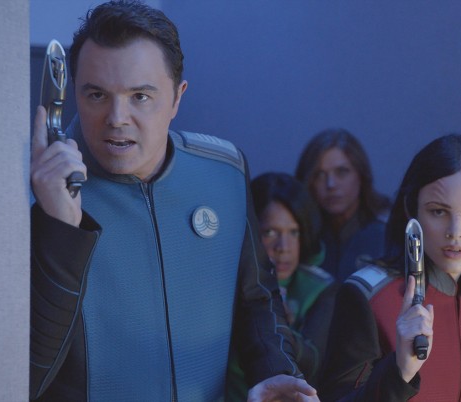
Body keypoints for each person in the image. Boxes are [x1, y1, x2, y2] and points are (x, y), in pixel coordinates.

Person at [29, 1, 318, 401]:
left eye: (140, 96)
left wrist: (276, 372)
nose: (117, 117)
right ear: (74, 91)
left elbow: (256, 298)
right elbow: (23, 376)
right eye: (96, 94)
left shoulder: (225, 171)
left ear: (177, 98)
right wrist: (59, 228)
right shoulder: (35, 193)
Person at [320, 134, 461, 401]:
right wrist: (400, 372)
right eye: (438, 211)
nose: (456, 232)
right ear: (412, 208)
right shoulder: (370, 296)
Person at [228, 173, 339, 400]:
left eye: (293, 232)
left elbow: (315, 364)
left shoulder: (320, 288)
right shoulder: (225, 286)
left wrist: (274, 325)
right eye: (270, 232)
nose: (283, 247)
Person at [295, 128, 390, 282]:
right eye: (319, 175)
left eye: (341, 172)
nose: (331, 184)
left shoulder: (388, 233)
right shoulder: (299, 237)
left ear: (361, 176)